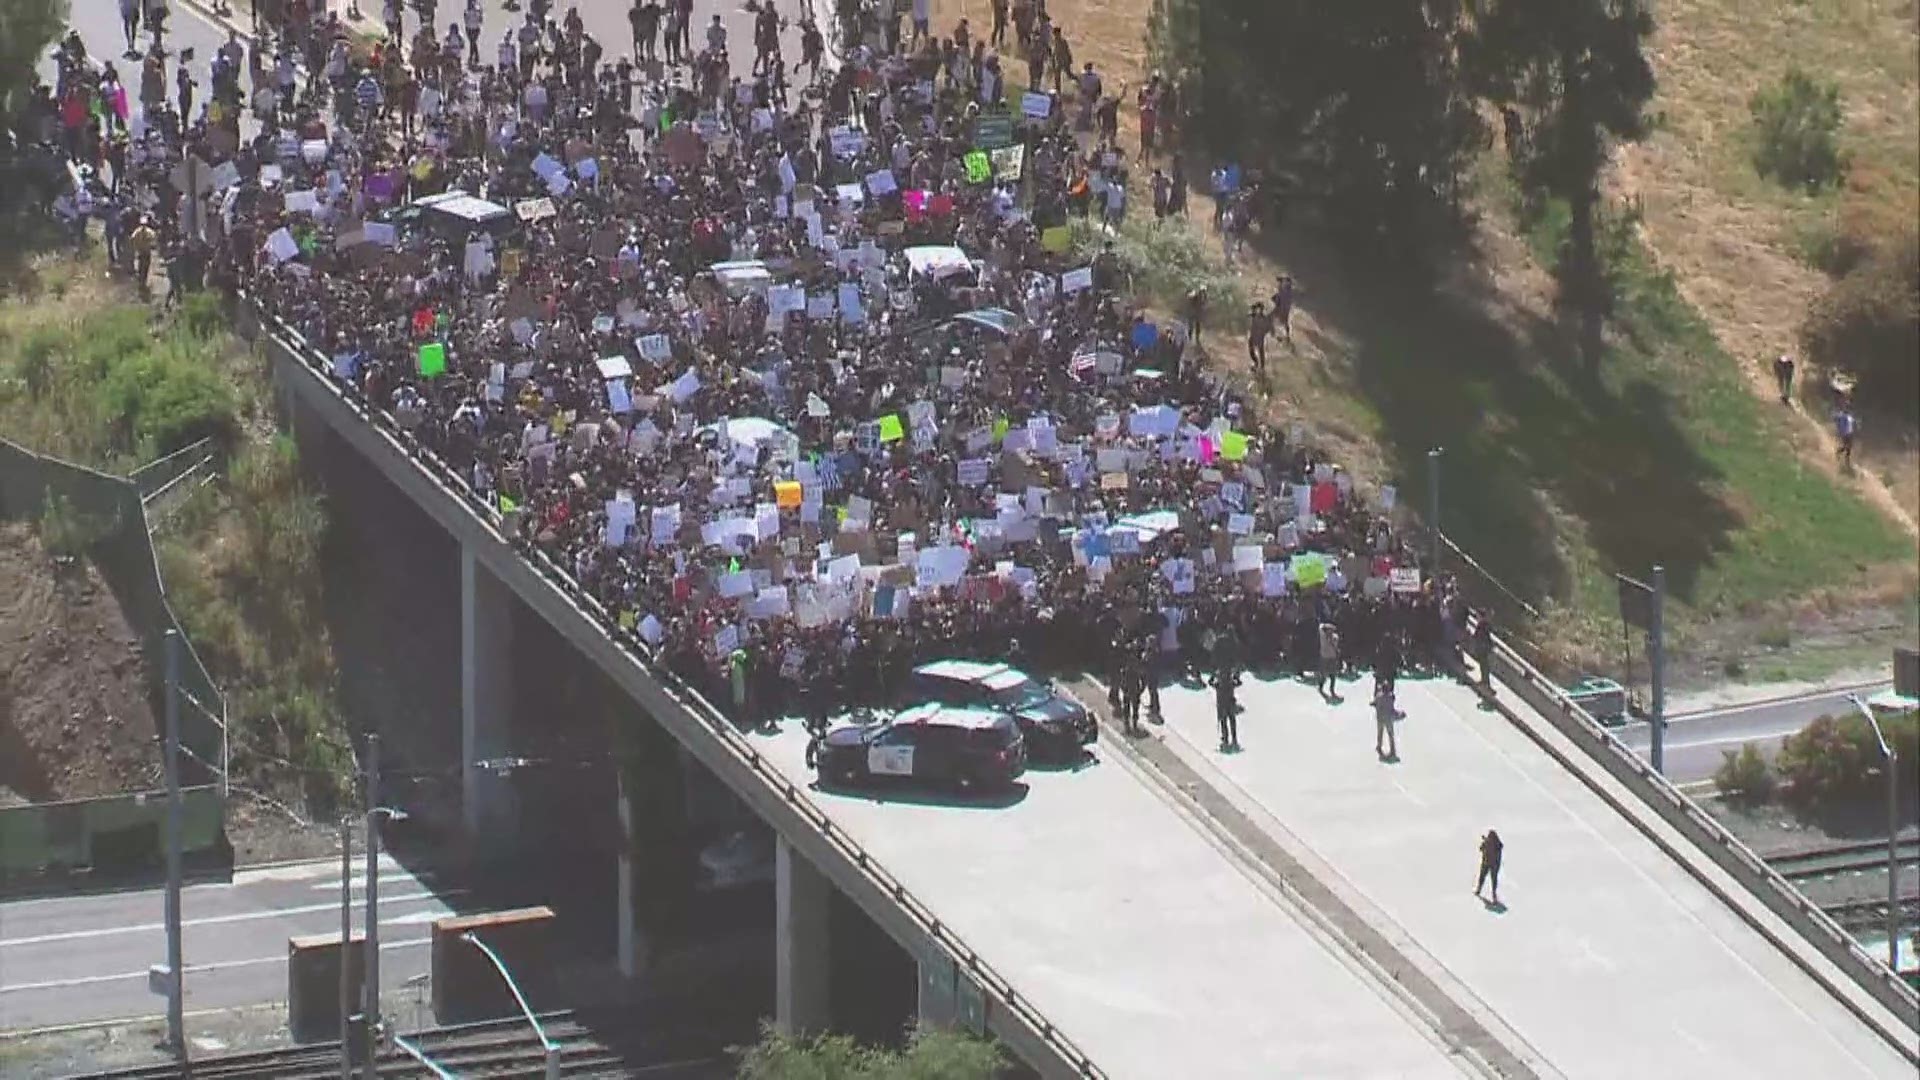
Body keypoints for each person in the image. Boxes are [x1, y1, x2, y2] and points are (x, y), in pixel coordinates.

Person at [1213, 663, 1240, 751]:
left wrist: (1214, 676)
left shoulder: (1218, 685)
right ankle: (1234, 738)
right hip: (1230, 703)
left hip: (1222, 704)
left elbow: (1210, 682)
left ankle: (1225, 739)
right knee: (1232, 721)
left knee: (1224, 722)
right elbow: (1238, 683)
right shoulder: (1230, 683)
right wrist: (1236, 676)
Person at [1475, 829, 1504, 904]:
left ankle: (1480, 890)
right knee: (1491, 879)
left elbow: (1481, 848)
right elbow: (1481, 848)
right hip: (1491, 864)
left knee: (1484, 877)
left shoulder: (1495, 844)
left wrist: (1485, 842)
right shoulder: (1497, 844)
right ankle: (1492, 895)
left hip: (1488, 864)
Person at [1373, 682, 1400, 759]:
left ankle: (1379, 746)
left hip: (1380, 717)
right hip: (1388, 718)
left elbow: (1375, 704)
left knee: (1380, 732)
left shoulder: (1378, 696)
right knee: (1390, 734)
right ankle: (1392, 750)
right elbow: (1392, 707)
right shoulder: (1390, 697)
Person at [1317, 617, 1341, 700]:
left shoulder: (1335, 637)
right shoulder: (1322, 636)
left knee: (1333, 676)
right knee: (1324, 675)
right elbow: (1320, 627)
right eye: (1328, 630)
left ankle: (1332, 690)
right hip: (1324, 657)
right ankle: (1320, 687)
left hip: (1331, 658)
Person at [1246, 302, 1272, 376]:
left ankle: (1262, 368)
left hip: (1260, 337)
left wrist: (1264, 333)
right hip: (1253, 336)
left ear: (1261, 309)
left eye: (1259, 309)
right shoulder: (1253, 315)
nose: (1258, 310)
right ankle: (1256, 363)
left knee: (1261, 352)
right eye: (1257, 309)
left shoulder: (1264, 318)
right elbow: (1248, 315)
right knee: (1251, 351)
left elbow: (1268, 327)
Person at [1834, 405, 1858, 469]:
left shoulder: (1849, 416)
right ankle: (1838, 453)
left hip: (1849, 433)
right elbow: (1837, 419)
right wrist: (1839, 430)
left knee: (1848, 448)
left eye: (1848, 409)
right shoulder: (1842, 415)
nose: (1847, 410)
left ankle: (1846, 461)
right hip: (1845, 434)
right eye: (1846, 408)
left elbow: (1853, 423)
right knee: (1846, 446)